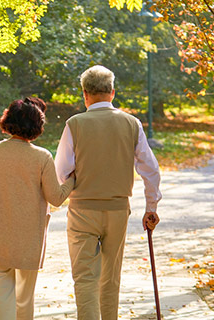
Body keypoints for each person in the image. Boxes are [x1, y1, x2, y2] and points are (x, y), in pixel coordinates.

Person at [54, 65, 162, 320]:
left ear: (85, 94)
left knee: (85, 278)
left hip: (82, 210)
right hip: (117, 211)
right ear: (112, 93)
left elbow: (61, 171)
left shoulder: (75, 124)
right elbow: (151, 169)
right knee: (111, 278)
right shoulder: (131, 123)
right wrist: (151, 207)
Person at [0, 97, 75, 320]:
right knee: (24, 298)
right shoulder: (42, 157)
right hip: (28, 239)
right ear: (37, 127)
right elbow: (55, 198)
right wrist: (72, 181)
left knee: (0, 297)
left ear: (8, 121)